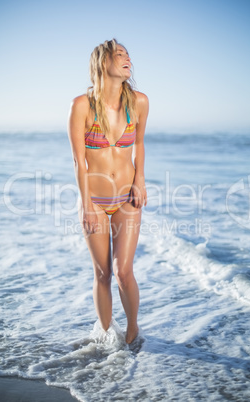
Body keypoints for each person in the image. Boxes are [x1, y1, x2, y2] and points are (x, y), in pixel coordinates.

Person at [67, 39, 149, 344]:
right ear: (104, 63)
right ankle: (106, 336)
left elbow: (139, 144)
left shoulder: (139, 102)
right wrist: (87, 204)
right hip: (95, 202)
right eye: (120, 55)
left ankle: (131, 332)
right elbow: (78, 160)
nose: (128, 59)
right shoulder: (81, 106)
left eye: (129, 54)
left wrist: (140, 179)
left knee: (122, 272)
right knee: (102, 273)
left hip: (127, 198)